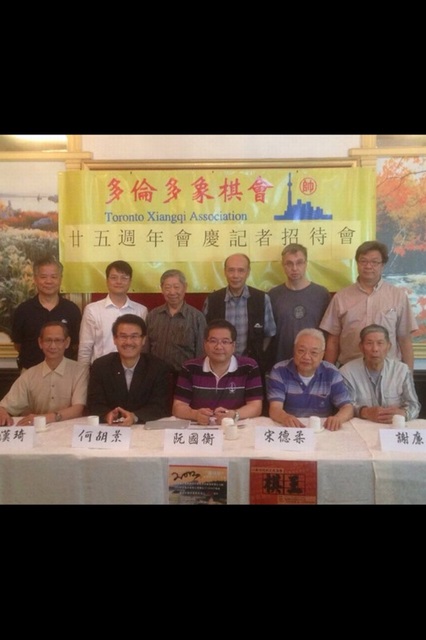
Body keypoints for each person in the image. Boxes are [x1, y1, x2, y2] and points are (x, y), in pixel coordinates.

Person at [320, 240, 418, 370]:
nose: (368, 266)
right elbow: (333, 340)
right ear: (357, 263)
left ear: (382, 265)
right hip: (350, 371)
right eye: (363, 261)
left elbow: (404, 339)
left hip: (389, 371)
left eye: (374, 262)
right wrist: (328, 374)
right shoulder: (341, 297)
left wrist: (408, 376)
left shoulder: (398, 296)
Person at [172, 319, 263, 426]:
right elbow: (178, 407)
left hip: (235, 427)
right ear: (205, 344)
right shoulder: (190, 368)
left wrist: (234, 415)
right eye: (213, 341)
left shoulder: (249, 367)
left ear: (233, 346)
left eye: (225, 342)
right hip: (201, 427)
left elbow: (256, 406)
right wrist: (195, 415)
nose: (219, 347)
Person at [86, 313, 172, 426]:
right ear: (115, 339)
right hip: (111, 427)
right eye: (123, 336)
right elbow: (94, 403)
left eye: (134, 336)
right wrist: (107, 414)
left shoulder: (158, 368)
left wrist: (135, 417)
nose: (128, 342)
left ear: (143, 340)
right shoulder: (101, 366)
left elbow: (161, 406)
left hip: (144, 428)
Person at [0, 321, 89, 426]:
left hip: (69, 430)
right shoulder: (29, 375)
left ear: (67, 342)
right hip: (38, 431)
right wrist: (3, 413)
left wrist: (43, 418)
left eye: (58, 340)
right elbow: (5, 406)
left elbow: (78, 409)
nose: (53, 346)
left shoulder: (80, 371)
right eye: (48, 340)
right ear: (40, 343)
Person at [267, 328, 353, 431]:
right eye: (301, 351)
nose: (306, 357)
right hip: (291, 428)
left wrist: (338, 418)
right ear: (294, 350)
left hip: (322, 429)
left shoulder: (331, 372)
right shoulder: (279, 370)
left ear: (322, 355)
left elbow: (347, 407)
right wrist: (285, 417)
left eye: (314, 353)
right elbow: (275, 408)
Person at [202, 253, 276, 373]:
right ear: (225, 272)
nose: (235, 275)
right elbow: (204, 335)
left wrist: (258, 354)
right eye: (231, 270)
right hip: (218, 366)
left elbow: (269, 333)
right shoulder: (212, 300)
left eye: (241, 270)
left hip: (251, 367)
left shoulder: (262, 299)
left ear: (248, 272)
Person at [12, 255, 82, 371]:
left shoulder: (71, 309)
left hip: (65, 372)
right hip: (31, 371)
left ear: (60, 279)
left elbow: (75, 343)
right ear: (35, 279)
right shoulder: (23, 310)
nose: (48, 281)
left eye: (54, 277)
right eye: (43, 277)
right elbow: (18, 344)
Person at [339, 324, 421, 423]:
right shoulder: (347, 372)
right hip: (361, 426)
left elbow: (414, 405)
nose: (375, 349)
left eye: (380, 343)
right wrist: (366, 412)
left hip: (393, 425)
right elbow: (345, 405)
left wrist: (403, 414)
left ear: (388, 346)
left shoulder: (401, 370)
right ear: (361, 347)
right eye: (369, 343)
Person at [268, 243, 330, 364]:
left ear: (306, 264)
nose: (294, 268)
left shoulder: (321, 294)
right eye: (289, 263)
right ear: (283, 265)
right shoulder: (273, 295)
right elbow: (269, 334)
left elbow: (328, 332)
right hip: (281, 363)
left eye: (299, 262)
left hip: (313, 363)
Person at [78, 260, 148, 365]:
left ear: (130, 281)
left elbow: (143, 346)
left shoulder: (141, 310)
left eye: (124, 278)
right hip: (101, 369)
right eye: (114, 278)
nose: (119, 282)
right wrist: (83, 374)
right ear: (107, 281)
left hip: (132, 369)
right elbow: (85, 348)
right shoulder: (92, 310)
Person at [144, 269, 206, 375]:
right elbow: (145, 348)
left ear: (185, 287)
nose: (172, 292)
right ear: (162, 289)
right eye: (167, 287)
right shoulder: (152, 315)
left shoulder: (197, 317)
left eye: (176, 287)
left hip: (185, 376)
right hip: (156, 375)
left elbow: (201, 352)